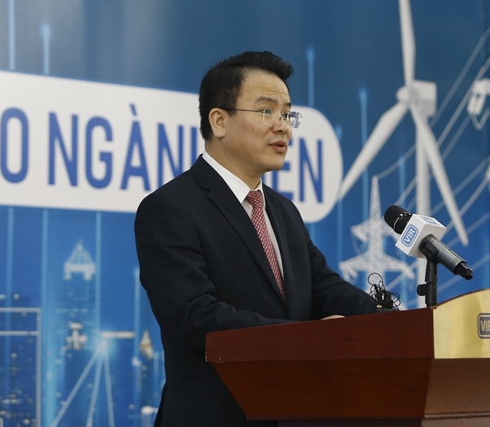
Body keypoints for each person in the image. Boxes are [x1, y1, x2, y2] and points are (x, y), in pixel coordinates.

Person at [134, 51, 378, 426]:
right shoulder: (170, 208)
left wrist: (387, 322)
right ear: (219, 121)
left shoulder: (283, 211)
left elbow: (322, 287)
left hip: (294, 412)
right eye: (266, 111)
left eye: (287, 114)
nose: (283, 127)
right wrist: (313, 339)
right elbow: (196, 317)